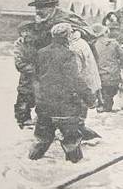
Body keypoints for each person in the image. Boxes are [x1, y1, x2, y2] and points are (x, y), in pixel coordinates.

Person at [29, 23, 95, 163]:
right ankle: (76, 173)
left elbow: (35, 79)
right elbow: (75, 79)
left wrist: (37, 99)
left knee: (41, 140)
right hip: (65, 107)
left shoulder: (41, 52)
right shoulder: (68, 54)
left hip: (45, 106)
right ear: (67, 36)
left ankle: (29, 165)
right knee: (71, 143)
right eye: (71, 33)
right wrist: (89, 97)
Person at [69, 27, 103, 141]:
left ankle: (78, 132)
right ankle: (80, 128)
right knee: (82, 107)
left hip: (82, 82)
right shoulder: (81, 42)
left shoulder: (75, 47)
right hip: (89, 82)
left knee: (78, 106)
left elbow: (75, 71)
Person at [29, 0, 93, 50]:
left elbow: (87, 29)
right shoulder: (40, 19)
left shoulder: (65, 16)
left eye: (41, 8)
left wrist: (79, 32)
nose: (37, 11)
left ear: (51, 7)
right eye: (36, 8)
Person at [94, 23, 123, 112]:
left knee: (103, 95)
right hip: (112, 75)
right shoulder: (113, 43)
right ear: (105, 32)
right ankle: (106, 108)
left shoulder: (93, 44)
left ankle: (102, 107)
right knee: (110, 95)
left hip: (98, 76)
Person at [13, 20, 38, 128]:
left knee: (42, 96)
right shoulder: (19, 45)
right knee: (24, 96)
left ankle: (42, 120)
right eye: (23, 31)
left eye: (29, 30)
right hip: (27, 76)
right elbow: (19, 63)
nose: (26, 33)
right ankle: (23, 119)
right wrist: (34, 69)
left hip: (40, 77)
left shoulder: (39, 42)